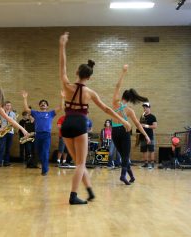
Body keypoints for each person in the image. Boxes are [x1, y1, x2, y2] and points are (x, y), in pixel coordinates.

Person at [59, 32, 132, 204]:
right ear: (90, 77)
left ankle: (90, 190)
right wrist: (122, 120)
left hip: (66, 124)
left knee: (78, 162)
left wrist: (62, 45)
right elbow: (107, 109)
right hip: (79, 125)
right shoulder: (90, 92)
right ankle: (73, 196)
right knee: (80, 164)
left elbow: (62, 66)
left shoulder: (67, 86)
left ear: (77, 72)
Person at [111, 64, 150, 185]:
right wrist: (146, 136)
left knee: (123, 156)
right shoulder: (129, 111)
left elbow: (117, 85)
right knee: (125, 155)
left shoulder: (115, 103)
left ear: (122, 96)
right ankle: (123, 176)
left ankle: (131, 176)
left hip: (114, 131)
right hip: (124, 131)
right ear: (129, 99)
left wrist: (123, 72)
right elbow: (138, 125)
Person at [22, 91, 64, 175]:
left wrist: (62, 97)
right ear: (39, 106)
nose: (43, 104)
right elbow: (26, 109)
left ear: (47, 106)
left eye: (45, 103)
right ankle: (43, 166)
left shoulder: (50, 113)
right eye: (41, 103)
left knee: (45, 152)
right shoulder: (36, 113)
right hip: (38, 135)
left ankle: (45, 170)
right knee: (38, 152)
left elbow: (61, 107)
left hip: (46, 135)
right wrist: (25, 98)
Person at [0, 101, 16, 167]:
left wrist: (13, 125)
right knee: (2, 147)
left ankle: (6, 162)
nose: (8, 107)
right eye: (7, 105)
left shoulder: (13, 114)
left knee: (8, 148)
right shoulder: (0, 113)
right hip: (3, 132)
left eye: (9, 105)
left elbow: (14, 123)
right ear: (4, 106)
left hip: (10, 132)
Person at [139, 102, 158, 169]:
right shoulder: (142, 116)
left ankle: (152, 163)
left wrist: (146, 126)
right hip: (142, 135)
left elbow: (155, 126)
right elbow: (140, 125)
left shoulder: (152, 117)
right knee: (144, 150)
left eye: (146, 107)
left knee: (151, 150)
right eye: (144, 107)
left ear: (149, 108)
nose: (145, 109)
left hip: (150, 136)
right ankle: (146, 163)